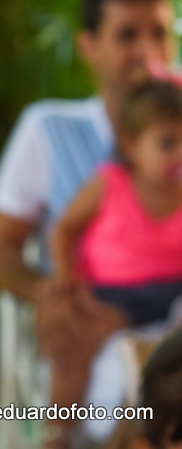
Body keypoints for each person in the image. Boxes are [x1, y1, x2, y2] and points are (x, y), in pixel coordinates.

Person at [0, 0, 176, 440]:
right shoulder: (48, 129)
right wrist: (52, 293)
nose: (148, 51)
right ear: (89, 46)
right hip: (93, 317)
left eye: (160, 34)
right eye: (127, 34)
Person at [46, 79, 182, 446]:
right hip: (113, 296)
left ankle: (131, 438)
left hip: (172, 295)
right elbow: (64, 231)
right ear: (131, 145)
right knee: (76, 345)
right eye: (167, 142)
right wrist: (65, 273)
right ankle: (56, 434)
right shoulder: (110, 185)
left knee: (157, 368)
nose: (179, 154)